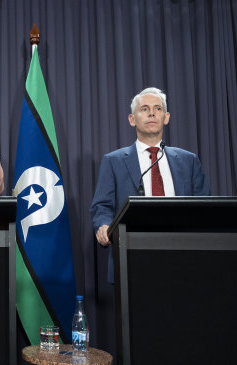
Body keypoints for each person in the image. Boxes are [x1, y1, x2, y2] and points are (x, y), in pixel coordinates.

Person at [90, 87, 210, 282]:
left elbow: (204, 206)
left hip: (184, 257)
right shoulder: (114, 161)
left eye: (158, 108)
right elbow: (102, 205)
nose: (152, 113)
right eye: (144, 109)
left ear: (166, 117)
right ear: (132, 119)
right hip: (133, 257)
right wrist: (103, 225)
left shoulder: (189, 160)